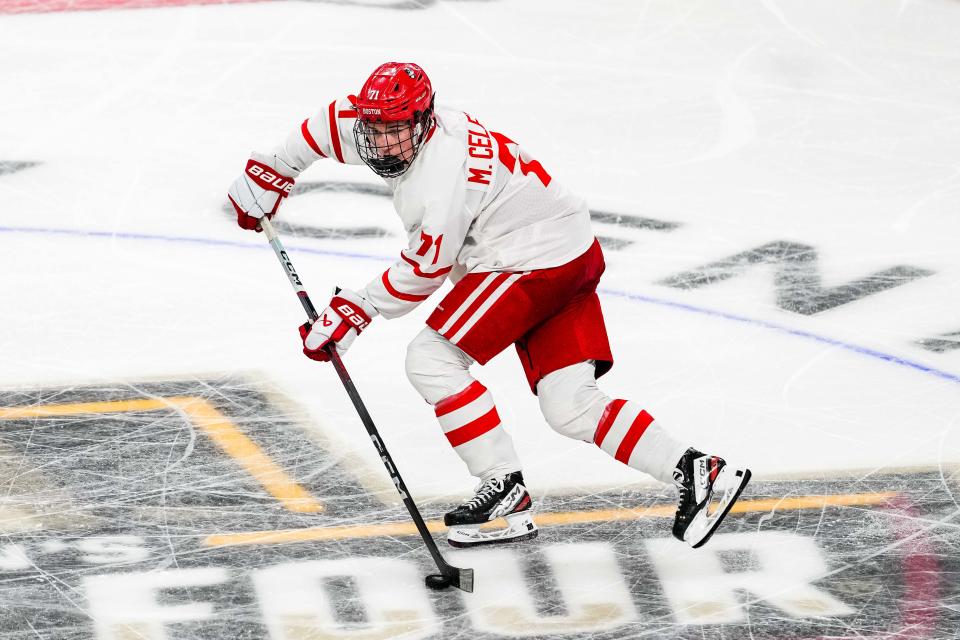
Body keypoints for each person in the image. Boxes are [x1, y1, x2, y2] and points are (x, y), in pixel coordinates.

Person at [228, 62, 751, 549]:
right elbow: (328, 123)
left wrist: (356, 310)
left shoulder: (441, 176)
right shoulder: (390, 122)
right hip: (570, 251)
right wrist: (275, 170)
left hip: (531, 262)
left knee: (431, 358)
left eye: (396, 130)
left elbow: (427, 269)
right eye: (376, 129)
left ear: (425, 122)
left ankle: (500, 484)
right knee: (570, 406)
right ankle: (698, 470)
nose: (384, 142)